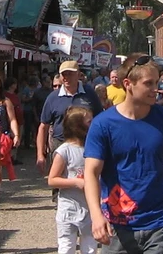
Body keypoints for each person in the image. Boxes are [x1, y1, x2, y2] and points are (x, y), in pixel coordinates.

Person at [84, 53, 163, 254]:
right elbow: (91, 172)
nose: (156, 89)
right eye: (148, 83)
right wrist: (96, 215)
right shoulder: (103, 124)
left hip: (158, 222)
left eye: (156, 82)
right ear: (128, 84)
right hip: (116, 224)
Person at [40, 61, 104, 175]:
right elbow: (43, 126)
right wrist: (40, 154)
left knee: (86, 176)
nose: (66, 77)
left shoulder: (89, 93)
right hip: (59, 143)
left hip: (85, 143)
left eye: (70, 73)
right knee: (58, 177)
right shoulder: (53, 97)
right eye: (63, 74)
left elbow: (100, 120)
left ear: (78, 74)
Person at [49, 106, 95, 254]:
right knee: (66, 247)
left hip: (89, 209)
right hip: (68, 209)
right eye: (89, 121)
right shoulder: (64, 151)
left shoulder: (93, 148)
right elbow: (52, 180)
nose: (93, 124)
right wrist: (76, 182)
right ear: (78, 126)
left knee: (90, 248)